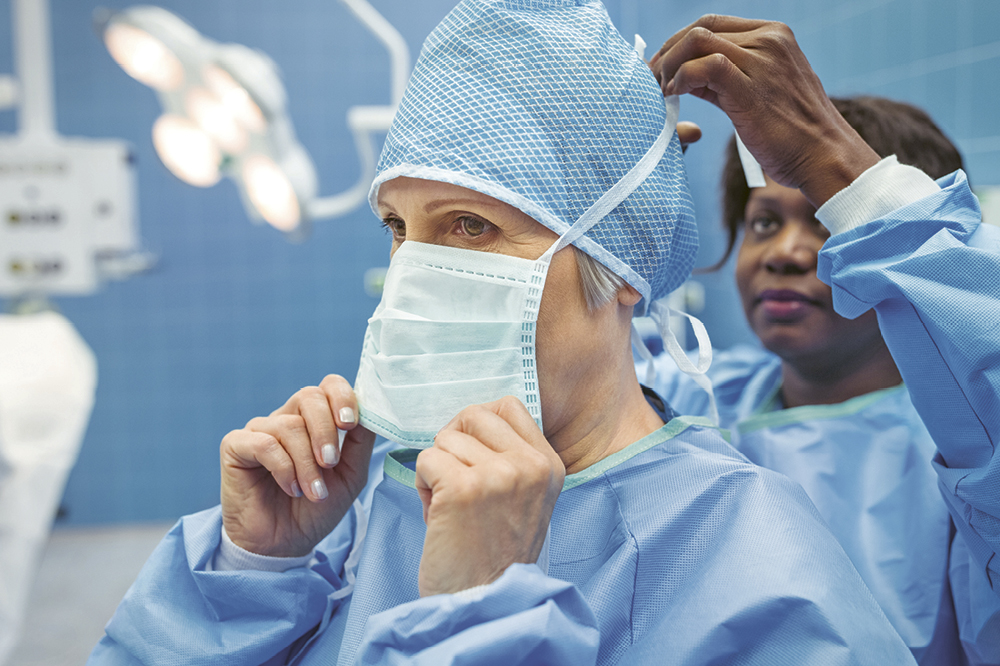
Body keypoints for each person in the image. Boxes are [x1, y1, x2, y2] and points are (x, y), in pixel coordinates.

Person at [89, 2, 918, 665]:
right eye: (397, 226)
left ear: (622, 259)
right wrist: (252, 573)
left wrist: (474, 617)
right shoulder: (351, 516)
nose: (415, 269)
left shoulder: (749, 567)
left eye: (471, 226)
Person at [635, 16, 1000, 666]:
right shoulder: (701, 400)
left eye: (829, 221)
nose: (785, 253)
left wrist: (844, 167)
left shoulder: (965, 457)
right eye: (764, 222)